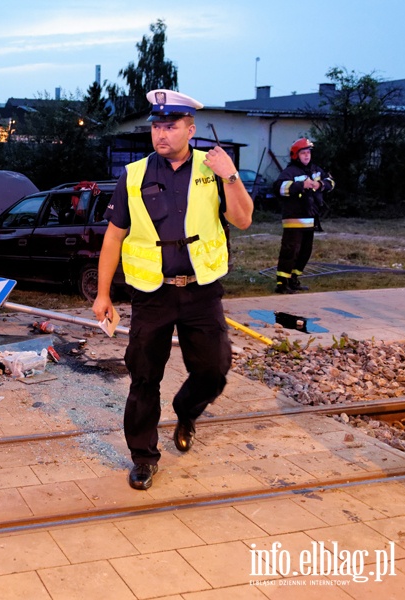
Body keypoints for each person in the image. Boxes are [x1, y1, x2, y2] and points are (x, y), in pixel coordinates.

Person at [91, 90, 254, 491]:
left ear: (190, 129)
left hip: (202, 290)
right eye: (157, 126)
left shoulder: (213, 168)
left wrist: (230, 174)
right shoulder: (133, 176)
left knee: (215, 368)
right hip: (152, 293)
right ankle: (144, 458)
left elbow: (243, 219)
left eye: (171, 126)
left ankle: (186, 410)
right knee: (144, 377)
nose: (162, 134)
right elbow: (113, 238)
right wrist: (103, 294)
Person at [273, 138, 334, 294]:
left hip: (310, 218)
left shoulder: (315, 170)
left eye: (308, 153)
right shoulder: (290, 172)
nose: (307, 156)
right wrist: (301, 185)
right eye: (303, 153)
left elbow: (331, 182)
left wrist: (320, 185)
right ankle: (282, 283)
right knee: (290, 251)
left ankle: (294, 279)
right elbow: (279, 188)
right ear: (296, 155)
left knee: (305, 252)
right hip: (293, 218)